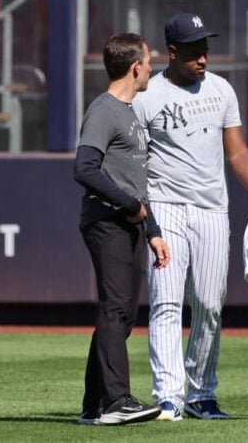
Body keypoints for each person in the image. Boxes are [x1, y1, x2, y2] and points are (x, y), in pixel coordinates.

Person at [132, 12, 248, 421]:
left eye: (206, 50)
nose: (203, 59)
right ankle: (168, 396)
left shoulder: (221, 90)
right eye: (194, 51)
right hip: (166, 207)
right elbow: (136, 160)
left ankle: (201, 393)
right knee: (166, 302)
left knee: (211, 304)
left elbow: (236, 150)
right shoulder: (148, 97)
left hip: (213, 208)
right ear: (172, 53)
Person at [74, 33, 170, 426]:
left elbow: (138, 184)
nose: (152, 67)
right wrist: (129, 206)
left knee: (123, 315)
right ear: (135, 67)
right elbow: (84, 168)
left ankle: (93, 404)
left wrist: (152, 230)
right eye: (149, 62)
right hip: (107, 222)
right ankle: (117, 402)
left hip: (130, 223)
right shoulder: (104, 110)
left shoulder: (130, 111)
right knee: (115, 309)